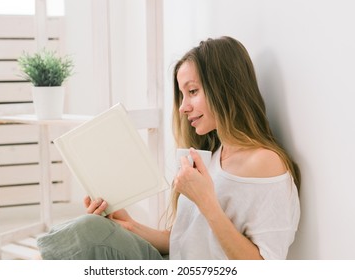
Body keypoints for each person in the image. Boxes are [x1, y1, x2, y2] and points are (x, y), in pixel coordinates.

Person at [37, 36, 301, 260]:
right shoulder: (212, 156)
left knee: (87, 232)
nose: (183, 106)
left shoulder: (266, 163)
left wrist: (207, 201)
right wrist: (129, 225)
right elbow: (181, 241)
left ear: (225, 88)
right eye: (182, 95)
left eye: (193, 91)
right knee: (94, 228)